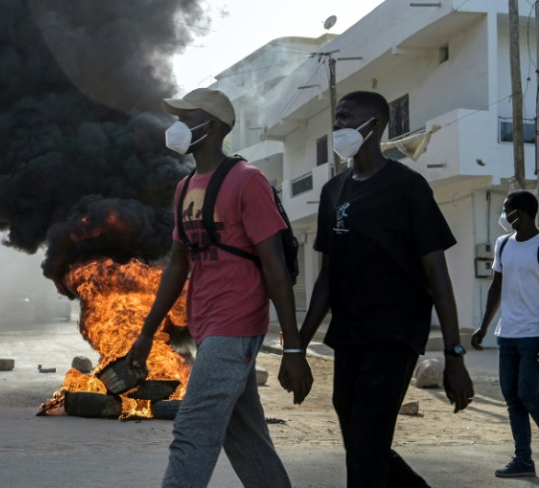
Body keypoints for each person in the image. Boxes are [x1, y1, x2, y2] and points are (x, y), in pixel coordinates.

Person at [126, 87, 313, 488]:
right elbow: (178, 265)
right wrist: (147, 332)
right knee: (244, 435)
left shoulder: (248, 180)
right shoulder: (185, 187)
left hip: (236, 323)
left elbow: (274, 267)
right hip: (206, 326)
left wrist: (293, 349)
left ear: (209, 125)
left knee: (192, 431)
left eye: (185, 116)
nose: (176, 126)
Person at [298, 90, 474, 488]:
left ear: (372, 125)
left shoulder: (408, 187)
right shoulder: (333, 192)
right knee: (363, 445)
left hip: (396, 333)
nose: (337, 126)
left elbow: (438, 277)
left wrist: (454, 355)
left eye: (344, 118)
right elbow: (327, 277)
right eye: (337, 119)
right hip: (349, 334)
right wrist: (297, 347)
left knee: (367, 443)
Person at [472, 190, 539, 478]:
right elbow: (496, 287)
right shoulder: (502, 245)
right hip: (507, 334)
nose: (503, 215)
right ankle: (523, 460)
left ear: (521, 214)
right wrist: (484, 325)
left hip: (534, 334)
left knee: (528, 392)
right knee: (512, 397)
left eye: (506, 210)